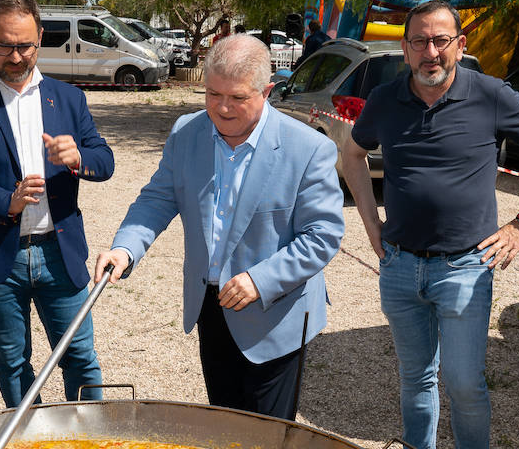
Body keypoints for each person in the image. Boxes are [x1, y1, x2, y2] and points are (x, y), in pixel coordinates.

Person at [342, 0, 519, 449]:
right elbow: (351, 154)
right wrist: (371, 226)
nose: (431, 51)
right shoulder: (385, 99)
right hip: (399, 266)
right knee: (415, 378)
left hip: (467, 268)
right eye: (419, 41)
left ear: (461, 45)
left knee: (466, 384)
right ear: (404, 49)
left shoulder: (488, 94)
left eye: (442, 39)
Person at [94, 34, 343, 418]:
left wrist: (261, 280)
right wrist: (125, 248)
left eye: (238, 98)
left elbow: (322, 236)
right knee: (224, 428)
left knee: (269, 442)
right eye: (212, 94)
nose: (222, 108)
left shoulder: (308, 149)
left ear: (267, 91)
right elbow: (158, 198)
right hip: (212, 305)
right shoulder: (186, 132)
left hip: (275, 312)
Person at [0, 0, 114, 406]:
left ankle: (90, 446)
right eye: (3, 46)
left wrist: (78, 158)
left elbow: (105, 162)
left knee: (80, 357)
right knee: (13, 363)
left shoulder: (69, 99)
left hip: (59, 253)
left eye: (25, 46)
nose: (15, 57)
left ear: (40, 38)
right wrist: (5, 201)